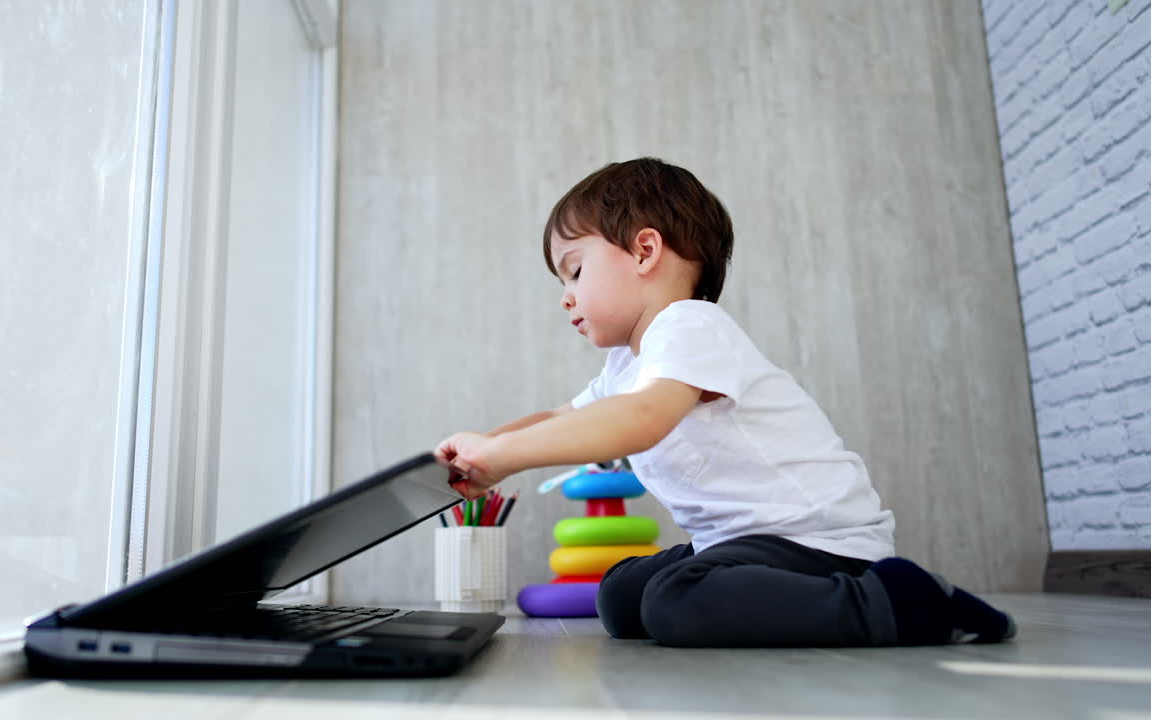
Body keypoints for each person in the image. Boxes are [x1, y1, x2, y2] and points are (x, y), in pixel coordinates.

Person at [434, 157, 1015, 648]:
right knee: (620, 594)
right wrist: (484, 450)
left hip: (815, 540)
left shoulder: (689, 325)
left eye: (575, 271)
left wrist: (504, 456)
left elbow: (640, 421)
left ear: (644, 251)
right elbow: (566, 418)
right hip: (746, 542)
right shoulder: (627, 365)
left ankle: (896, 601)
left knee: (673, 602)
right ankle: (733, 586)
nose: (566, 297)